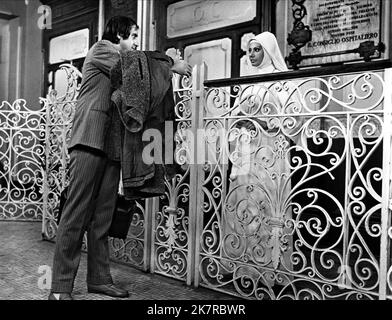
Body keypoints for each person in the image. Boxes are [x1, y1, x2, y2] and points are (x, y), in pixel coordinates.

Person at [49, 16, 192, 300]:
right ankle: (59, 288)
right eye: (134, 34)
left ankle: (99, 279)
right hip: (89, 139)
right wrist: (169, 63)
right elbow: (129, 70)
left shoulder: (125, 57)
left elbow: (142, 85)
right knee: (76, 213)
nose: (136, 40)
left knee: (103, 216)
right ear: (119, 33)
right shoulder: (102, 49)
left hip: (112, 144)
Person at [223, 32, 299, 282]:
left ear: (268, 51)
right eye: (250, 51)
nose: (252, 55)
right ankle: (242, 263)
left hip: (270, 153)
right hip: (246, 152)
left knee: (268, 205)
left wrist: (266, 123)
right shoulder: (246, 83)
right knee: (245, 203)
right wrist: (241, 123)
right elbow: (233, 117)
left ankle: (271, 268)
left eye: (257, 50)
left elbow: (295, 118)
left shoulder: (283, 82)